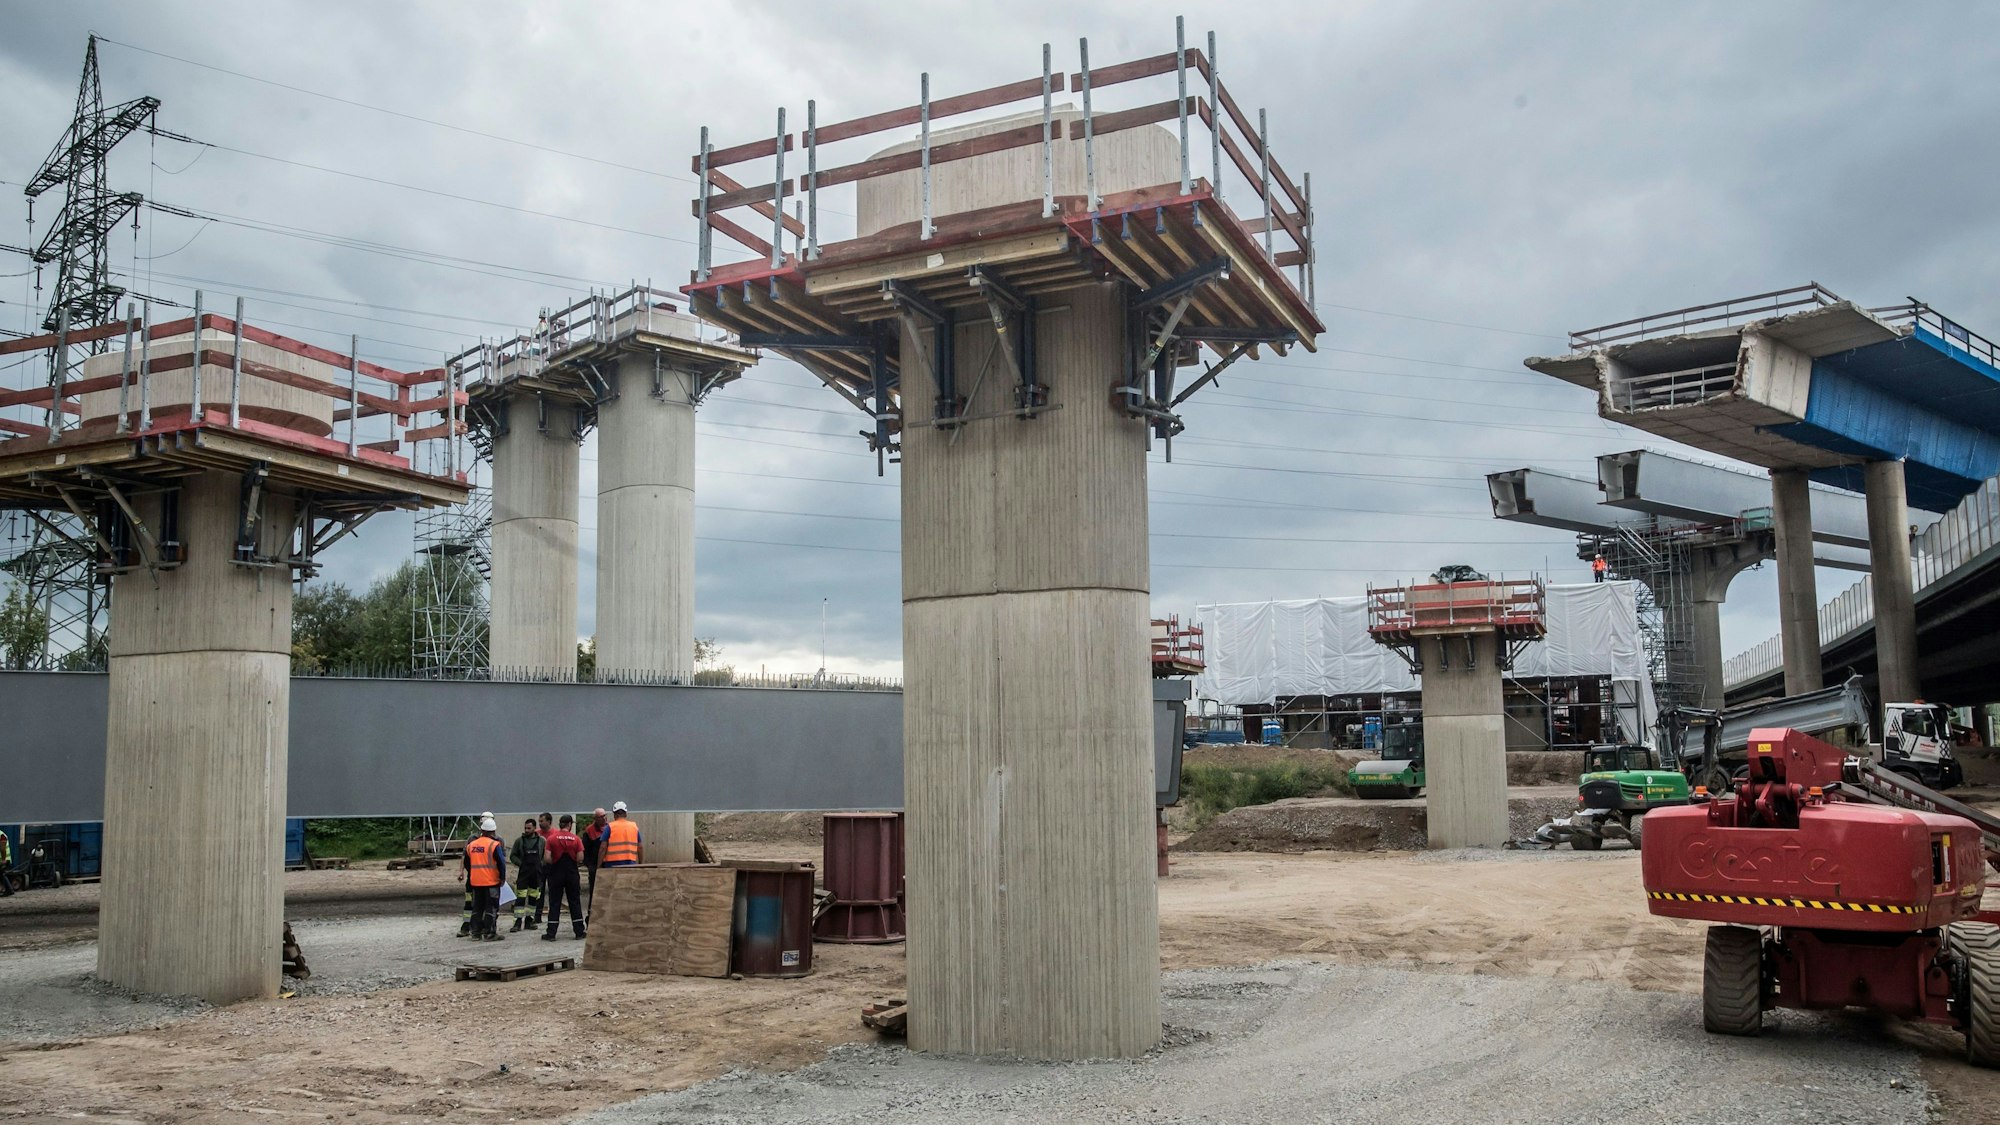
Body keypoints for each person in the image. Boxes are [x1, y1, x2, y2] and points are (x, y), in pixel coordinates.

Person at [541, 814, 587, 941]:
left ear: (560, 824)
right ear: (570, 824)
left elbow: (547, 858)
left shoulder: (551, 839)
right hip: (572, 873)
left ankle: (551, 933)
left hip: (556, 873)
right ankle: (579, 932)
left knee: (554, 902)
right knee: (574, 901)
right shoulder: (576, 839)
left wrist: (555, 863)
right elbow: (580, 858)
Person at [463, 817, 508, 942]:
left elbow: (466, 863)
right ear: (493, 832)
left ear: (482, 831)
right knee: (491, 908)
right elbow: (501, 863)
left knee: (477, 908)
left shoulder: (471, 845)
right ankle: (489, 933)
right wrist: (502, 878)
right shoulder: (494, 845)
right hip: (491, 882)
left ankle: (475, 933)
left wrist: (474, 873)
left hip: (476, 882)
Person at [458, 810, 495, 937]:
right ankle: (466, 926)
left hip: (487, 878)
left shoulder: (497, 840)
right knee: (470, 901)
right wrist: (462, 871)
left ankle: (482, 927)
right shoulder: (472, 839)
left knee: (485, 903)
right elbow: (465, 857)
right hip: (474, 877)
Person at [510, 818, 546, 933]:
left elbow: (545, 855)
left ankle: (529, 921)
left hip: (536, 874)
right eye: (525, 828)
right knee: (520, 898)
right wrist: (521, 864)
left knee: (533, 898)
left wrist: (541, 864)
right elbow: (513, 856)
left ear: (535, 828)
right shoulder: (519, 841)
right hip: (523, 874)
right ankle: (517, 922)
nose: (526, 830)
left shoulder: (541, 841)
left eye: (529, 828)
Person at [582, 806, 610, 914]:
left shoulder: (610, 828)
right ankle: (591, 914)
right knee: (594, 891)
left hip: (608, 865)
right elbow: (585, 850)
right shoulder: (589, 831)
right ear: (595, 819)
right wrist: (590, 866)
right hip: (594, 866)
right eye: (601, 817)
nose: (604, 818)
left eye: (604, 815)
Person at [603, 802, 642, 868]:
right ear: (625, 814)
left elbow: (603, 847)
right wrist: (640, 864)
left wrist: (598, 865)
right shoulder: (634, 827)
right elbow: (640, 847)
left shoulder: (609, 827)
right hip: (630, 863)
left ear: (615, 814)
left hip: (611, 864)